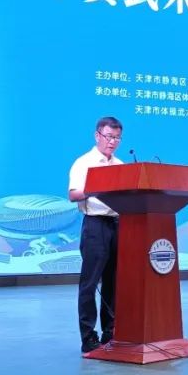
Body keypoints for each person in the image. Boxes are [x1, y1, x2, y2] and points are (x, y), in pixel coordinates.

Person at [68, 116, 124, 353]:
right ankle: (88, 336)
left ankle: (110, 331)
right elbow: (73, 194)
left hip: (117, 224)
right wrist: (95, 188)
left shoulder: (120, 165)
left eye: (117, 138)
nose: (112, 142)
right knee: (90, 282)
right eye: (109, 136)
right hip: (95, 225)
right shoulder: (84, 162)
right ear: (97, 135)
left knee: (113, 281)